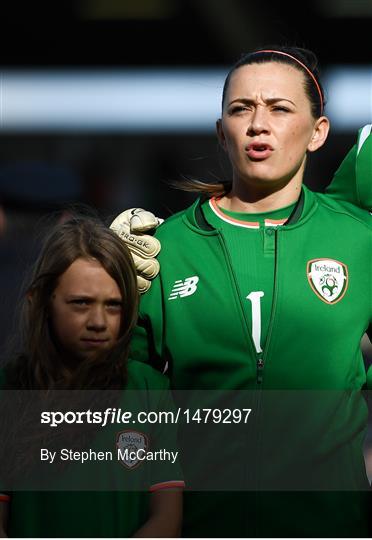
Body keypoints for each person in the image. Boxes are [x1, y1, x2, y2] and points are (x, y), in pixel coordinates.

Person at [112, 46, 372, 537]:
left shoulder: (360, 239)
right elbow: (117, 395)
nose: (258, 124)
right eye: (241, 109)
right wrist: (98, 280)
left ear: (317, 133)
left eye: (279, 108)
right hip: (201, 526)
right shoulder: (162, 248)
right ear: (221, 132)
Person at [0, 217, 184, 538]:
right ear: (40, 301)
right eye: (81, 303)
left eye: (114, 306)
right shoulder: (10, 388)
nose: (98, 321)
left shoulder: (149, 389)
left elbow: (167, 519)